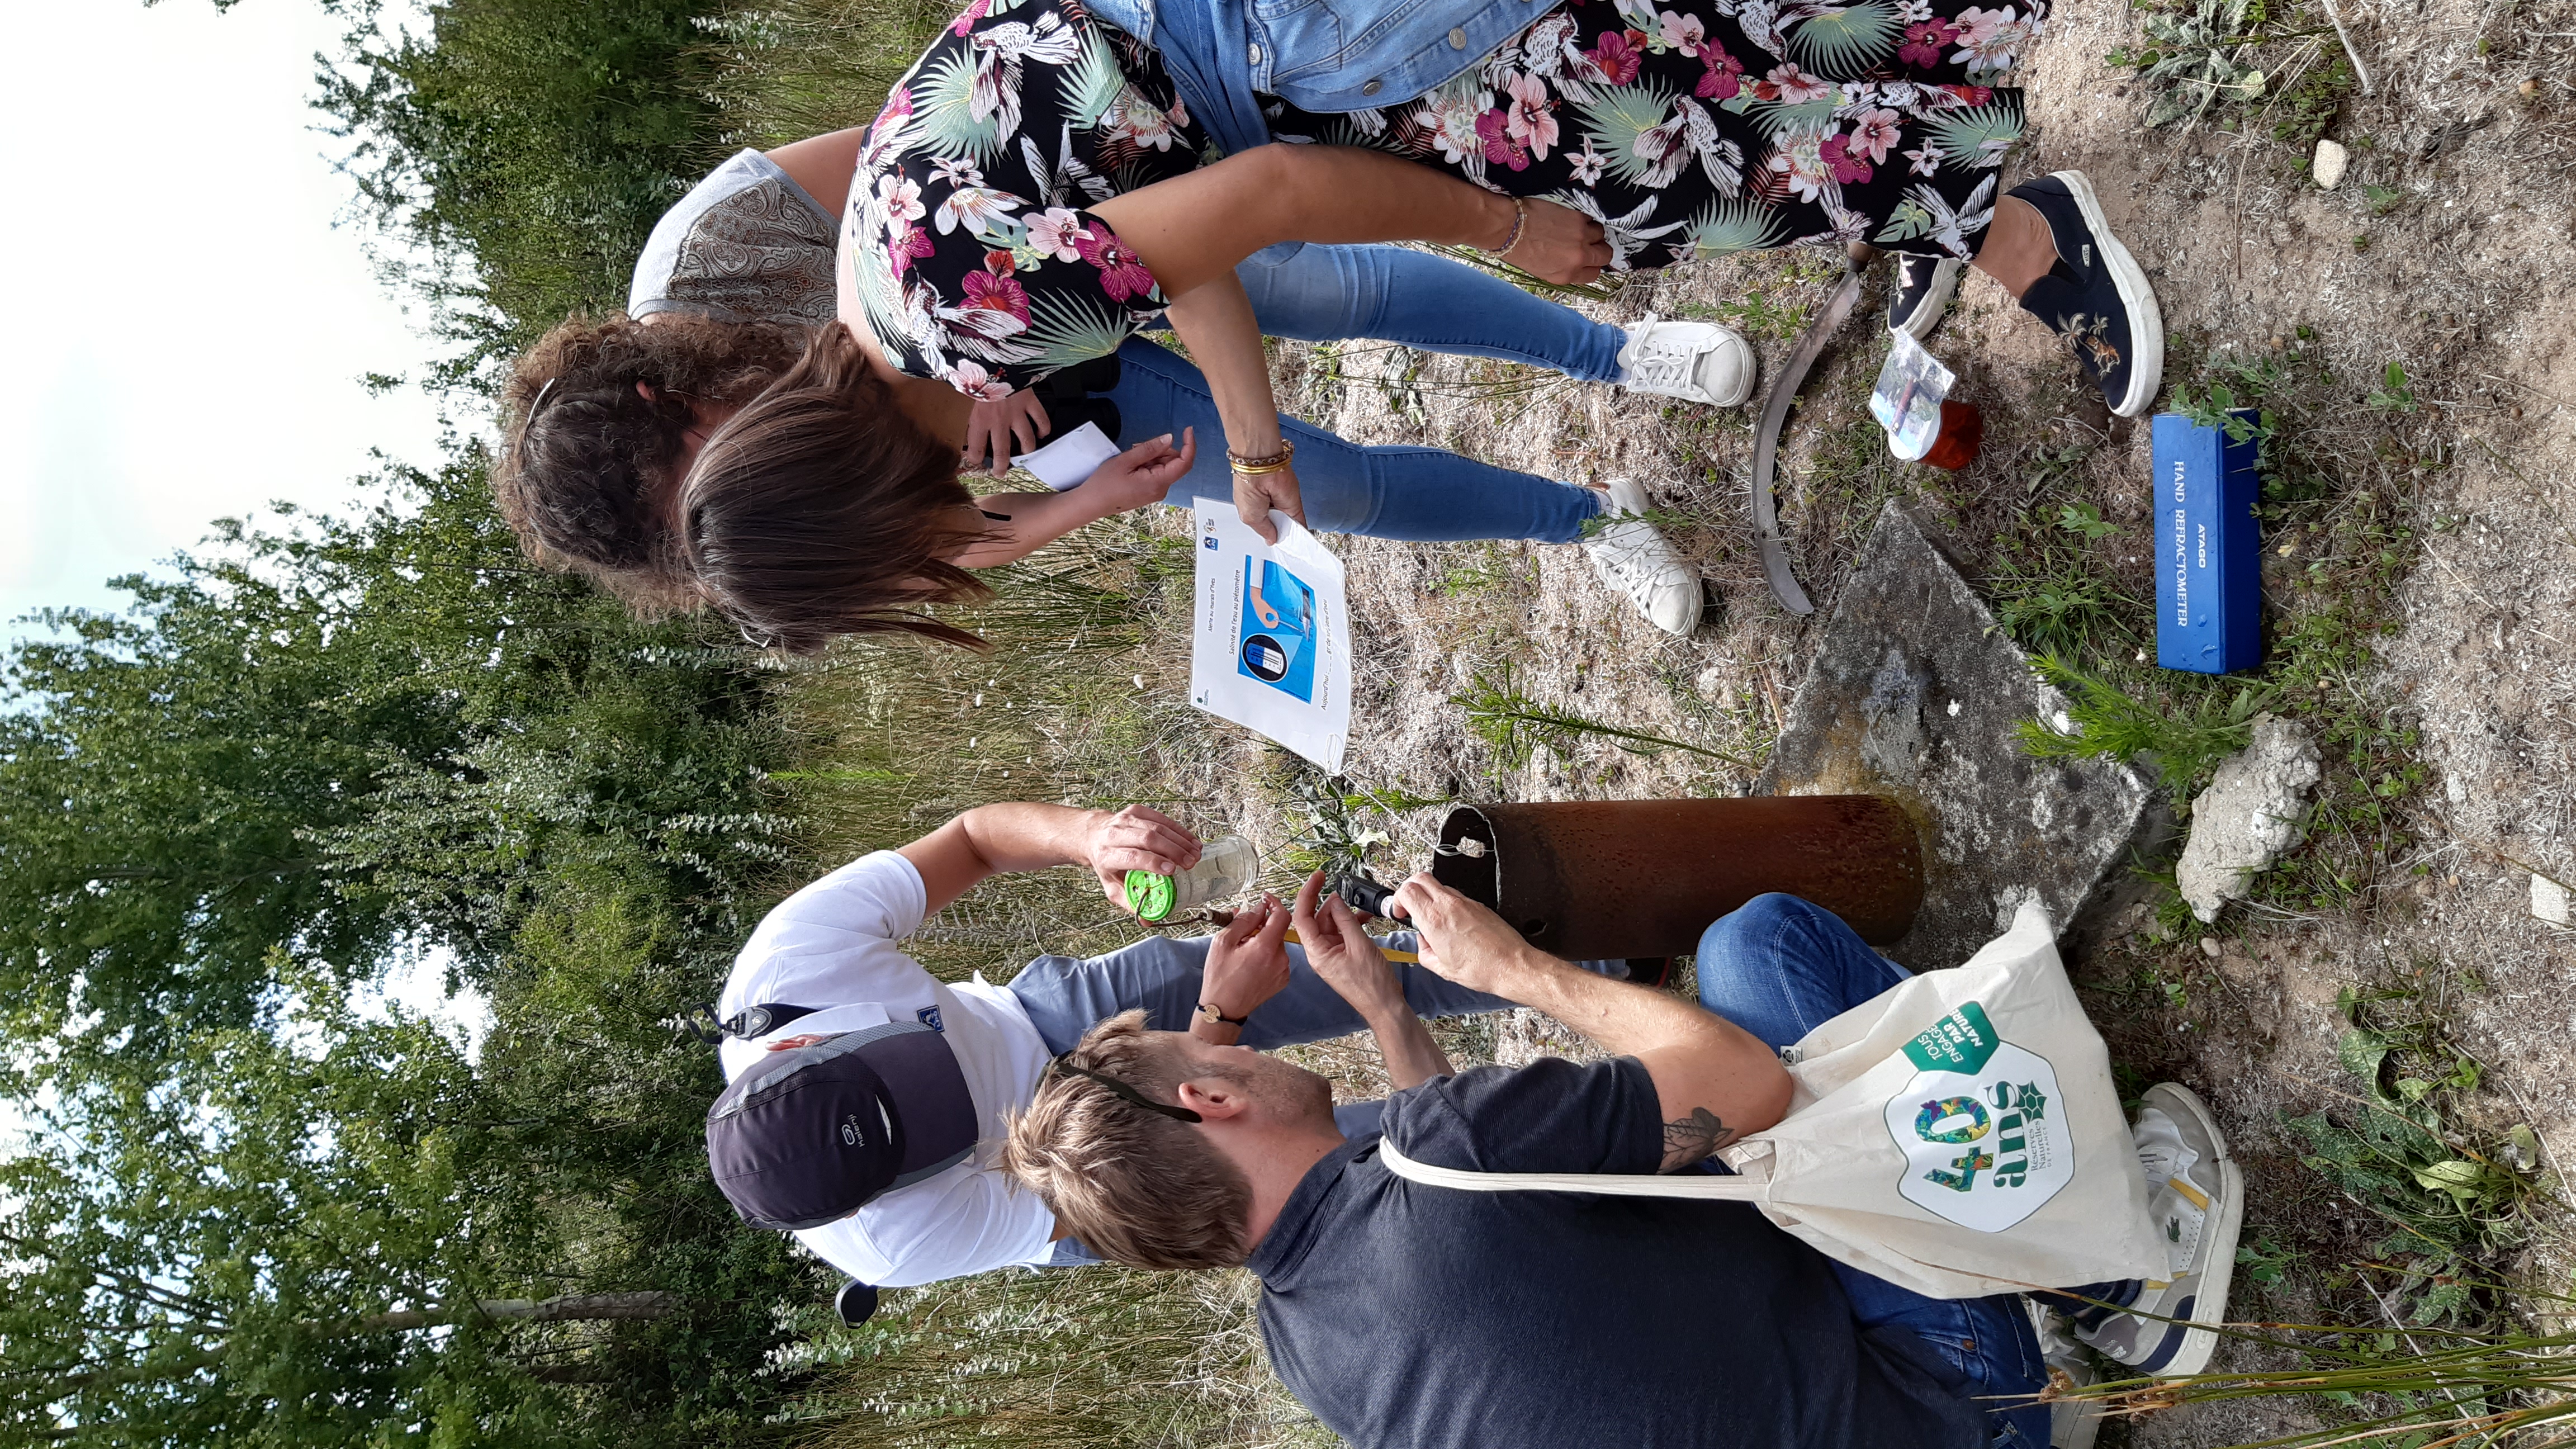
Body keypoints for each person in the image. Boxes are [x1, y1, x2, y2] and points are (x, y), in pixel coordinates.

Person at [673, 0, 2160, 650]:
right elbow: (1175, 239)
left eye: (916, 556)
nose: (962, 539)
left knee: (1649, 162)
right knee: (1669, 49)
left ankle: (2014, 223)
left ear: (876, 499)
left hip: (1300, 44)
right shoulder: (878, 294)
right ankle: (1966, 135)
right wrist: (1257, 444)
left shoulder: (967, 323)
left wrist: (1500, 229)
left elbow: (1273, 192)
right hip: (1227, 41)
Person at [1003, 878, 2243, 1449]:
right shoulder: (1452, 1150)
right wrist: (1515, 971)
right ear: (1212, 1099)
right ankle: (2126, 1277)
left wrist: (1386, 1009)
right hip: (1949, 1400)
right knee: (1757, 955)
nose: (1232, 1035)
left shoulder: (1304, 1348)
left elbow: (1449, 1214)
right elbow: (1743, 1085)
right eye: (1210, 1043)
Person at [499, 124, 1754, 633]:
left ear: (660, 386)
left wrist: (959, 335)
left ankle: (1619, 355)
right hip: (1055, 416)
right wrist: (1082, 502)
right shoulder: (729, 539)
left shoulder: (716, 245)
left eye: (707, 452)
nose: (738, 464)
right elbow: (912, 543)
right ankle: (1590, 520)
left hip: (1040, 245)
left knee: (1336, 293)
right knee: (1330, 496)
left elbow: (901, 148)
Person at [698, 802, 1644, 1310]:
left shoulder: (788, 971)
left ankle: (1612, 957)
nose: (944, 1083)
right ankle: (1639, 1127)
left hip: (1051, 1022)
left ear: (805, 1040)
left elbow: (976, 840)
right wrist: (1214, 1026)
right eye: (939, 1124)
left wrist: (1091, 839)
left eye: (915, 1064)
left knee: (1348, 965)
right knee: (1390, 1166)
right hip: (1092, 1178)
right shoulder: (894, 1241)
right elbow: (1116, 1183)